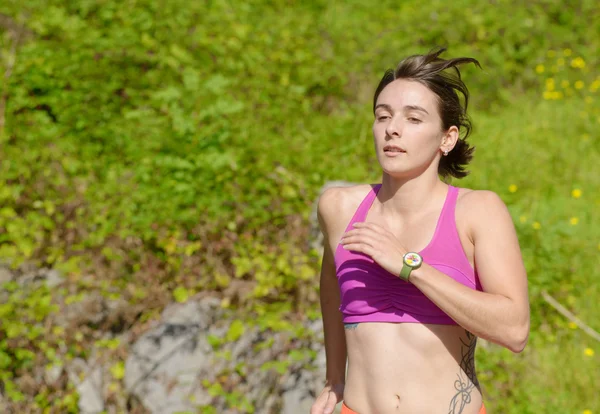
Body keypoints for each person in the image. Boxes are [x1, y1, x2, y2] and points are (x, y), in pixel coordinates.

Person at [311, 48, 530, 414]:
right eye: (383, 116)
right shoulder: (339, 208)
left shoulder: (477, 211)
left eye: (414, 118)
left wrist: (412, 267)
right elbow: (332, 288)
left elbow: (514, 330)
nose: (392, 128)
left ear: (447, 138)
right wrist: (334, 377)